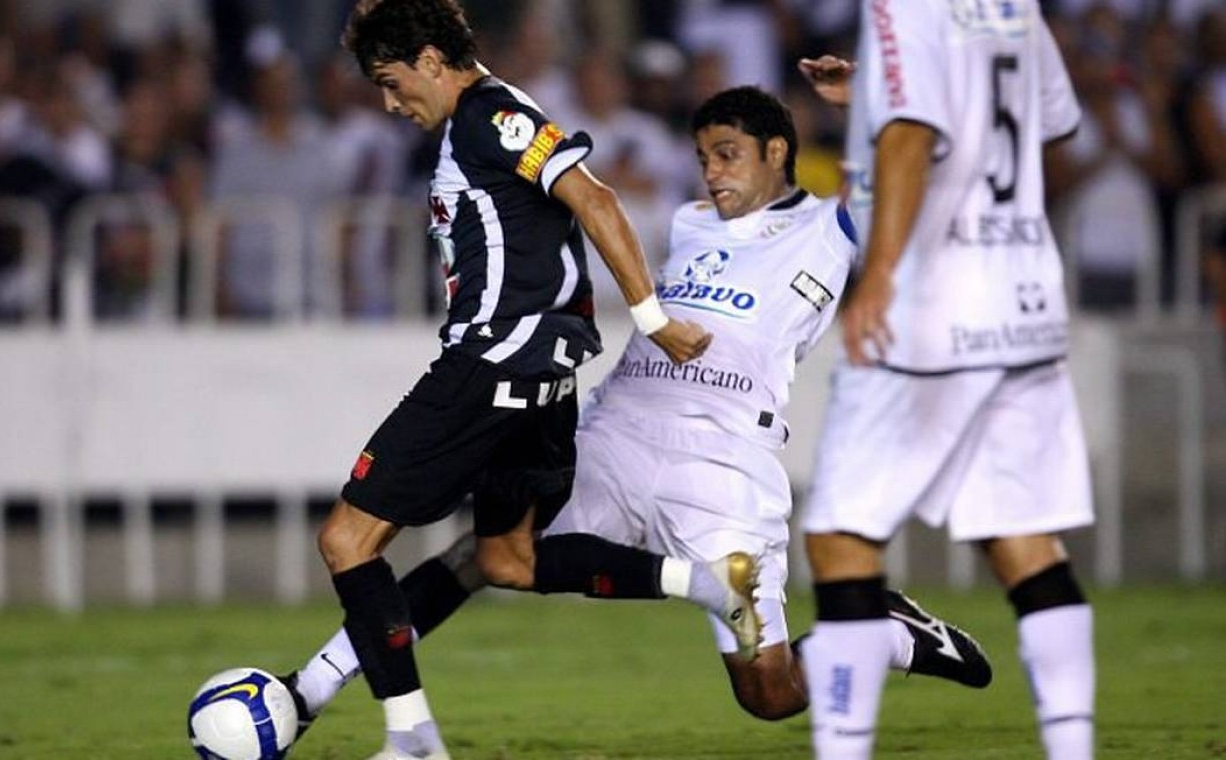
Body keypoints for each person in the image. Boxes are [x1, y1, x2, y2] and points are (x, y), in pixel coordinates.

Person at [282, 85, 993, 752]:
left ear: (777, 152)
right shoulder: (687, 223)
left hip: (722, 459)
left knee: (769, 695)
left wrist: (872, 92)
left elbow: (944, 154)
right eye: (702, 158)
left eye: (727, 155)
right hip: (615, 432)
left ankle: (882, 635)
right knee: (488, 556)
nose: (711, 174)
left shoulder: (832, 224)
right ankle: (310, 688)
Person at [320, 2, 752, 758]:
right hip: (542, 377)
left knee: (347, 539)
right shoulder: (492, 116)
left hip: (492, 363)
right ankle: (709, 585)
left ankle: (410, 736)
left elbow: (596, 198)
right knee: (506, 560)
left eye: (390, 82)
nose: (390, 103)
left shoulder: (487, 115)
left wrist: (649, 318)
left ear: (428, 59)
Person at [795, 3, 1097, 759]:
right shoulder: (1013, 6)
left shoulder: (901, 5)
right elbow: (1051, 119)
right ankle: (1072, 747)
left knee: (838, 538)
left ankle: (841, 747)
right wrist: (878, 90)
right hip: (1022, 295)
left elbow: (909, 134)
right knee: (1021, 539)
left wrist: (882, 276)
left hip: (932, 305)